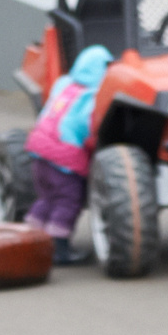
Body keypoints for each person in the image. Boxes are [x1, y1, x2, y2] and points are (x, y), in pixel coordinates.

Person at [26, 45, 113, 264]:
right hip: (63, 159)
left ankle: (31, 241)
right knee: (68, 201)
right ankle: (59, 248)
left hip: (39, 152)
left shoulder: (63, 84)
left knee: (47, 198)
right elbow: (89, 130)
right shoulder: (91, 97)